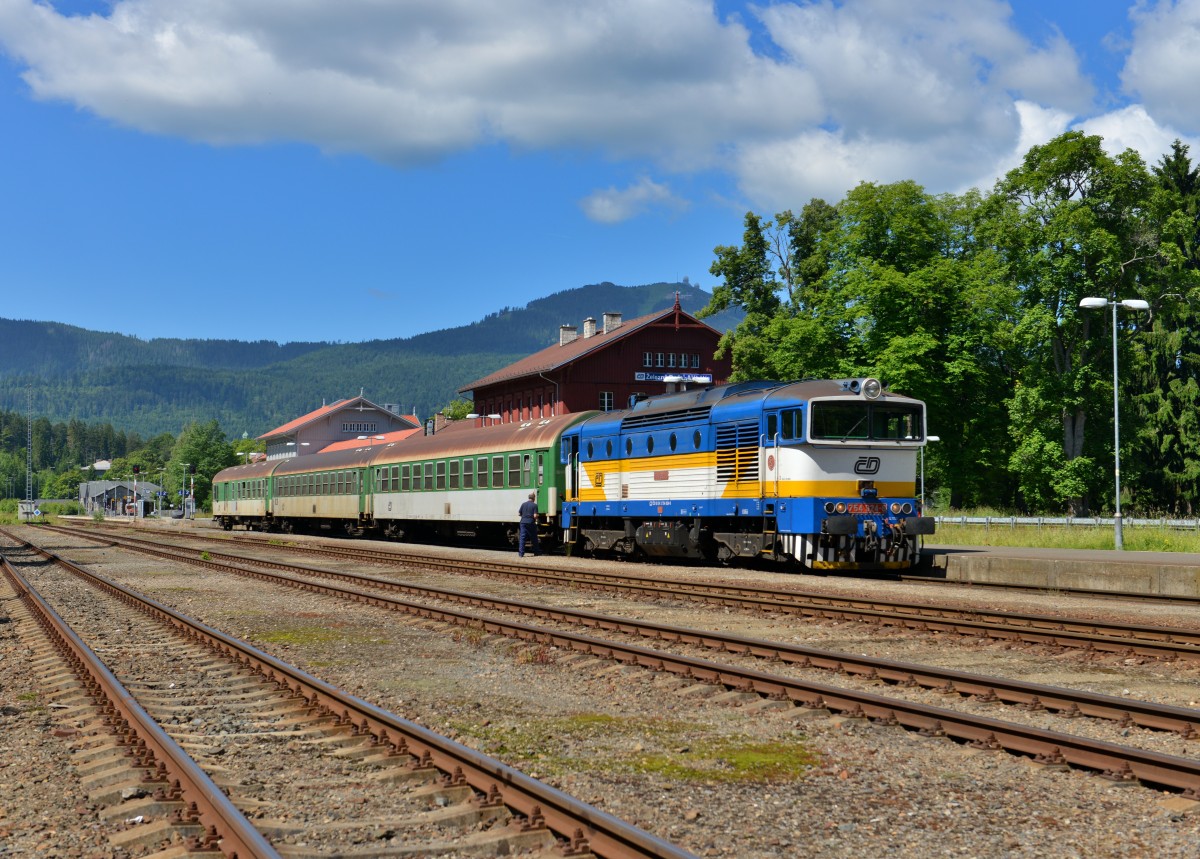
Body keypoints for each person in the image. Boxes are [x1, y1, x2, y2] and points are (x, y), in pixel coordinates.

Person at [518, 492, 540, 557]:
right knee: (534, 538)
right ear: (534, 498)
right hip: (531, 523)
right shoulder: (534, 505)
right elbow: (535, 516)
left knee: (522, 538)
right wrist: (537, 516)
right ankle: (536, 552)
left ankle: (521, 554)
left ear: (529, 497)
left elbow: (519, 514)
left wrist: (524, 515)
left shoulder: (523, 504)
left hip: (523, 522)